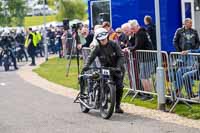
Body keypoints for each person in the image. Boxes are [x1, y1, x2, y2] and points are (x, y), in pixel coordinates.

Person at [82, 28, 125, 113]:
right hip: (105, 68)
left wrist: (118, 67)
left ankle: (117, 106)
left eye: (104, 39)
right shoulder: (97, 47)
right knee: (101, 82)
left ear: (107, 37)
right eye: (101, 40)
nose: (103, 41)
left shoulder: (114, 44)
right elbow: (91, 57)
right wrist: (86, 65)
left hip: (116, 68)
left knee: (119, 87)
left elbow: (121, 56)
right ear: (98, 39)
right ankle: (100, 100)